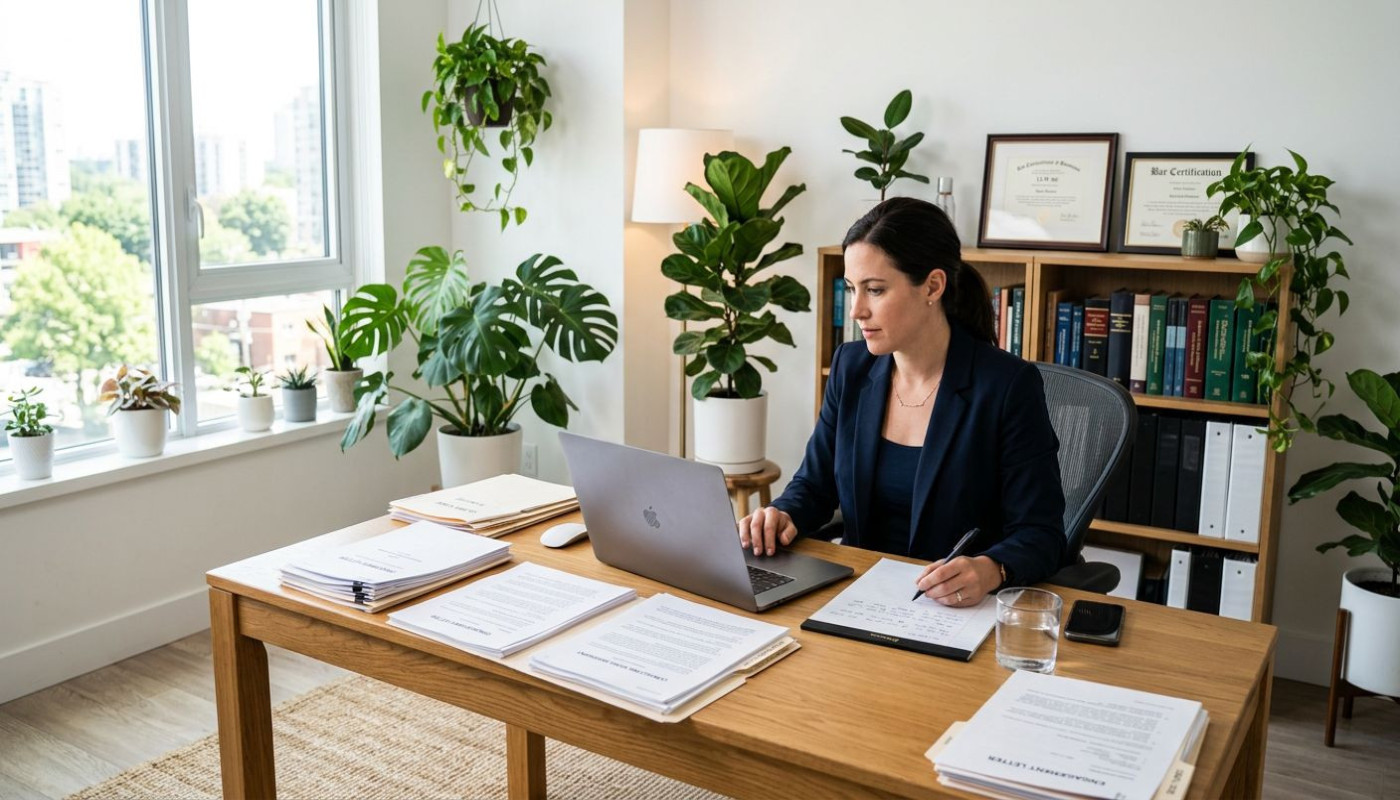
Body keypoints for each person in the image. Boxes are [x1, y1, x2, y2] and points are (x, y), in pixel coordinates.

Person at [738, 197, 1065, 606]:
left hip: (952, 608)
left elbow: (1041, 532)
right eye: (852, 289)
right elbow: (814, 485)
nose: (857, 310)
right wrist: (781, 515)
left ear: (932, 286)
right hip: (858, 595)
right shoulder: (850, 367)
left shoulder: (1006, 386)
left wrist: (991, 568)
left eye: (875, 290)